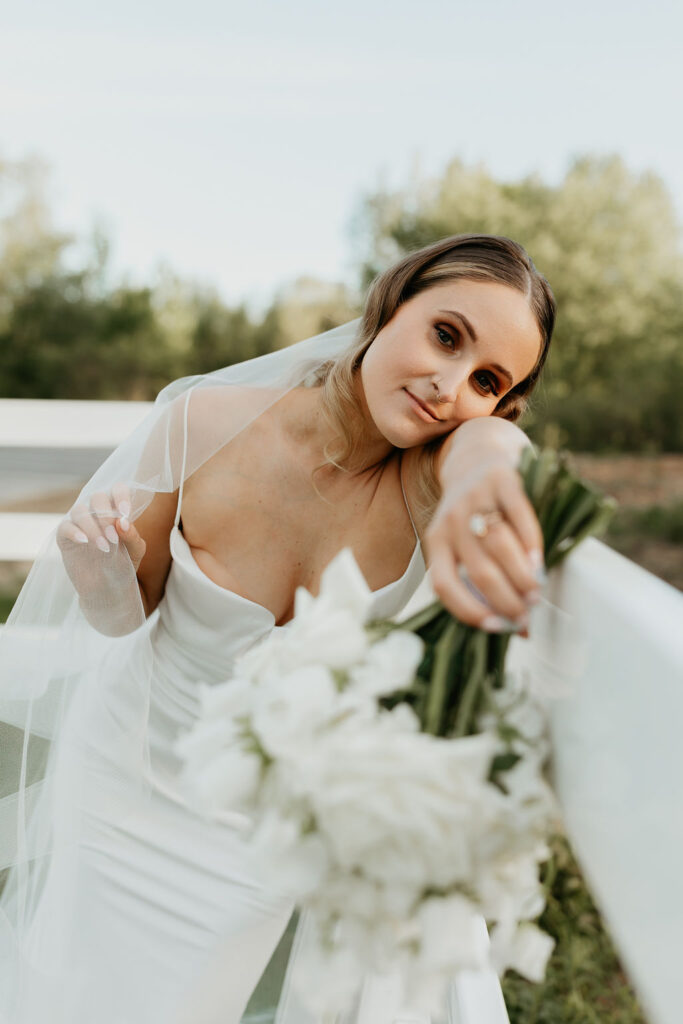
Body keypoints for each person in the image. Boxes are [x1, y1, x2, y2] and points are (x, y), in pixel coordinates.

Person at [0, 234, 555, 1024]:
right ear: (389, 306)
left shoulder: (442, 472)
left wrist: (496, 474)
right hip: (122, 781)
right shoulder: (203, 420)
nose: (448, 383)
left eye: (486, 380)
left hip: (260, 838)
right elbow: (125, 612)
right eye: (445, 334)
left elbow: (494, 451)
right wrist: (99, 567)